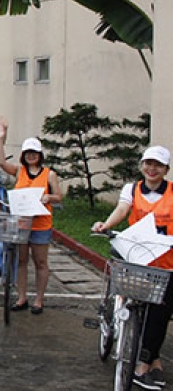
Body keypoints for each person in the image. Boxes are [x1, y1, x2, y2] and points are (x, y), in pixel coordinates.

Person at [92, 146, 173, 389]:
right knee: (138, 307)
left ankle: (146, 362)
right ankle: (150, 361)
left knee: (160, 313)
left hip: (166, 264)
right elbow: (122, 209)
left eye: (158, 165)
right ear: (141, 166)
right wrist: (105, 225)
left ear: (166, 169)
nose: (152, 169)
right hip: (135, 259)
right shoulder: (132, 189)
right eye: (148, 163)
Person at [0, 117, 62, 316]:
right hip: (22, 223)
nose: (31, 156)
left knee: (40, 262)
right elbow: (0, 162)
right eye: (28, 153)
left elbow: (58, 197)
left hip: (41, 224)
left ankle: (39, 299)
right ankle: (21, 297)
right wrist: (1, 139)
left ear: (40, 155)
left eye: (35, 153)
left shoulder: (50, 174)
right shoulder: (19, 171)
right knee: (21, 261)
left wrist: (48, 196)